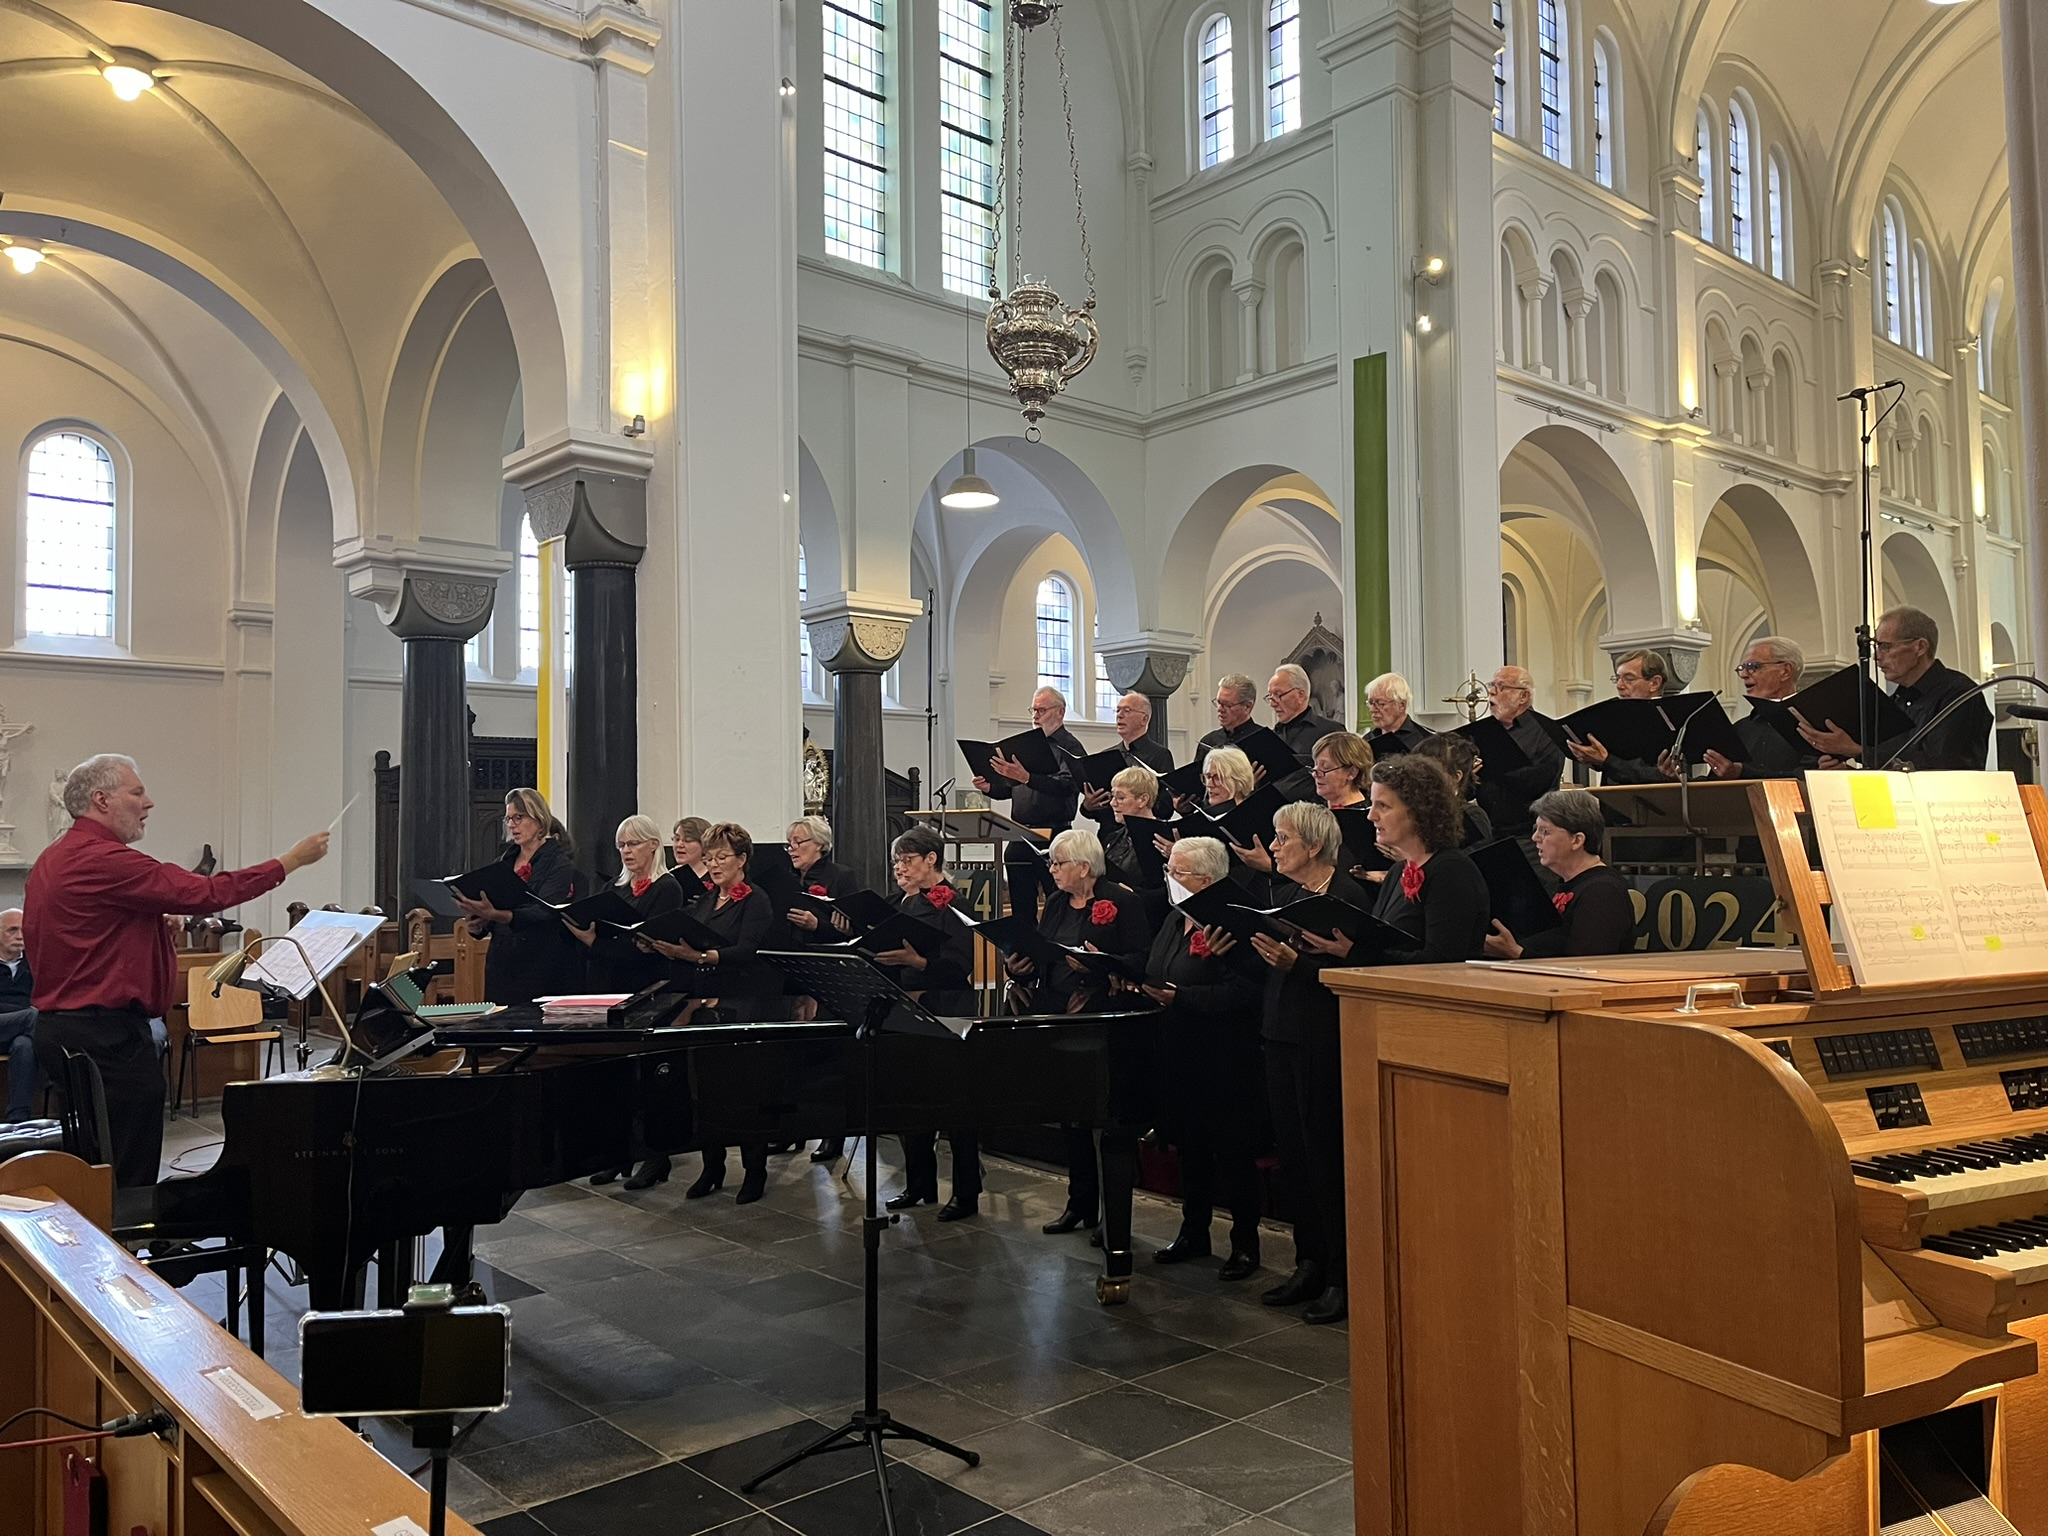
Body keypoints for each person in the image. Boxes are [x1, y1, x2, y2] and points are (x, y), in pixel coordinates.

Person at [26, 754, 328, 1187]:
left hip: (73, 1029)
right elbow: (206, 892)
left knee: (100, 1162)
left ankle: (107, 1238)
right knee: (125, 1170)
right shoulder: (103, 858)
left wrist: (151, 922)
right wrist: (291, 860)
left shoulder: (58, 856)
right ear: (101, 799)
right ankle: (124, 1247)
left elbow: (86, 935)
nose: (148, 803)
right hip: (103, 1038)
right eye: (136, 792)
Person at [1224, 800, 1368, 1326]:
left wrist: (1299, 965)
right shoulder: (1282, 896)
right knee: (1295, 1158)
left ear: (1312, 845)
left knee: (1324, 1156)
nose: (1275, 846)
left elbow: (1353, 975)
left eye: (1282, 838)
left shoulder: (1347, 897)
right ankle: (1307, 1261)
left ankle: (1341, 1275)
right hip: (1279, 1033)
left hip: (1322, 1037)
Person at [1003, 827, 1152, 1236]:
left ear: (1084, 867)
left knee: (1103, 1122)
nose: (1050, 870)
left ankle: (1111, 1213)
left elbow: (1140, 961)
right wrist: (1015, 970)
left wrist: (1098, 968)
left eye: (1057, 862)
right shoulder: (1054, 902)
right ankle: (1079, 1203)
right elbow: (1041, 950)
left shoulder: (1122, 901)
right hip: (1057, 1015)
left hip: (1101, 1020)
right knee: (1070, 1118)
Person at [1135, 836, 1265, 1281]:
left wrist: (1182, 997)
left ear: (1207, 882)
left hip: (1224, 1056)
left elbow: (1246, 992)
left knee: (1232, 1153)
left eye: (1178, 872)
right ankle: (1194, 1231)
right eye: (1170, 869)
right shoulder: (1176, 921)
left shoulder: (1229, 926)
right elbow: (1157, 968)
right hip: (1179, 1050)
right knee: (1190, 1148)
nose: (1169, 878)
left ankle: (1246, 1243)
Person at [639, 822, 780, 1201]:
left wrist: (700, 955)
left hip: (741, 1003)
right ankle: (712, 1168)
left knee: (744, 1094)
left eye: (722, 857)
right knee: (707, 1093)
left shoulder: (756, 900)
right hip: (703, 1004)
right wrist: (661, 945)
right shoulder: (703, 900)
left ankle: (755, 1172)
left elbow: (748, 949)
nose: (714, 864)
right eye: (711, 857)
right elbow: (689, 938)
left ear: (742, 860)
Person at [877, 826, 981, 1220]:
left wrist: (917, 963)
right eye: (895, 862)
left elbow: (960, 965)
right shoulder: (896, 903)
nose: (898, 868)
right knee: (911, 1099)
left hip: (947, 1009)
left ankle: (967, 1192)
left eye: (906, 860)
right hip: (905, 1008)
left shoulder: (954, 904)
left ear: (931, 859)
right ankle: (919, 1184)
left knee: (955, 1105)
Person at [1798, 606, 1993, 771]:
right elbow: (1892, 768)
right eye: (1877, 646)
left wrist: (1856, 750)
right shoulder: (1898, 698)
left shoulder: (1959, 693)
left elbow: (1943, 765)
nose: (1876, 656)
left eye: (1885, 647)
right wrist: (1847, 771)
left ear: (1920, 647)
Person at [453, 788, 581, 1006]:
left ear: (539, 821)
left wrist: (499, 914)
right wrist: (478, 924)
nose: (511, 825)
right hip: (501, 963)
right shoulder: (503, 862)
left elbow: (546, 911)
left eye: (518, 818)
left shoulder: (559, 863)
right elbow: (492, 909)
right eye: (508, 819)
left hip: (541, 962)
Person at [1365, 755, 1493, 966]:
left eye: (1383, 806)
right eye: (1372, 804)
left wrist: (1356, 954)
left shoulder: (1452, 872)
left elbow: (1441, 961)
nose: (1371, 815)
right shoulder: (1399, 870)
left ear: (1418, 811)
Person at [782, 814, 860, 1160]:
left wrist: (819, 925)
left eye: (799, 842)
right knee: (787, 1054)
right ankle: (791, 1128)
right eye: (789, 843)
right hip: (787, 970)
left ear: (820, 845)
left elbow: (853, 930)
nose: (792, 848)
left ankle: (832, 1133)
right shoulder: (784, 878)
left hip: (825, 972)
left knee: (826, 1057)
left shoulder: (840, 876)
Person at [972, 686, 1084, 922]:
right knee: (1021, 905)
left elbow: (1067, 786)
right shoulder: (1026, 744)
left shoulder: (1070, 747)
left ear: (1060, 712)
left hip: (1054, 833)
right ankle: (1023, 950)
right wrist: (990, 787)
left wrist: (1027, 777)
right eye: (1033, 710)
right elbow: (1013, 790)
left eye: (1041, 710)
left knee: (1057, 900)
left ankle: (1054, 950)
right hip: (1021, 833)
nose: (1035, 716)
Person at [1484, 789, 1637, 960]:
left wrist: (1516, 953)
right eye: (1536, 829)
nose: (1535, 837)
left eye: (1545, 831)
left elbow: (1586, 966)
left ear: (1577, 840)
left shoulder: (1602, 892)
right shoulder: (1566, 883)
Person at [1702, 636, 1816, 780]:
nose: (1743, 675)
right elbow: (1714, 782)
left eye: (1754, 667)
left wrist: (1742, 773)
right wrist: (1675, 777)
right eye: (1742, 668)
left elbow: (1809, 778)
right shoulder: (1739, 729)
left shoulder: (1813, 723)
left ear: (1785, 671)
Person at [1475, 665, 1566, 842]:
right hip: (1487, 830)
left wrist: (1494, 769)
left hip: (1529, 832)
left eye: (1501, 687)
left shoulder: (1546, 731)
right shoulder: (1484, 731)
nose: (1492, 692)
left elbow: (1542, 779)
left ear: (1523, 696)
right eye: (1491, 686)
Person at [1568, 649, 1670, 784]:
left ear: (1654, 683)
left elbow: (1661, 776)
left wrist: (1607, 760)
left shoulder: (1671, 721)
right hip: (1611, 800)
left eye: (1629, 679)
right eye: (1617, 678)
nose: (1619, 685)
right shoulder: (1614, 716)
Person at [1081, 694, 1175, 825]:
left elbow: (1165, 808)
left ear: (1144, 719)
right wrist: (1088, 805)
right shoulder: (1106, 756)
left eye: (1127, 711)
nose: (1119, 715)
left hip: (1140, 830)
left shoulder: (1160, 755)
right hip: (1109, 834)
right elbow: (1090, 811)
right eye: (1118, 710)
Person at [1266, 664, 1343, 800]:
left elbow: (1341, 781)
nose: (1273, 703)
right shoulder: (1271, 736)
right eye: (1270, 696)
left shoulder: (1331, 732)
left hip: (1313, 814)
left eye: (1278, 695)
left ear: (1300, 695)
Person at [1412, 733, 1493, 847]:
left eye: (1431, 771)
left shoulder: (1472, 816)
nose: (1420, 777)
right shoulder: (1412, 810)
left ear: (1455, 777)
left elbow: (1468, 861)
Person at [1099, 764, 1165, 897]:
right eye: (1112, 796)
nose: (1112, 803)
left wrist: (1134, 895)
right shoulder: (1112, 837)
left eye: (1120, 798)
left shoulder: (1163, 839)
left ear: (1143, 800)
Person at [0, 909, 38, 1124]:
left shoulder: (34, 965)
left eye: (24, 930)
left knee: (25, 1046)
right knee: (34, 1018)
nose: (20, 936)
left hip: (22, 1030)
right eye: (12, 930)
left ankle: (18, 1120)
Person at [1194, 674, 1262, 767]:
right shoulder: (1208, 742)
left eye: (1227, 705)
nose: (1220, 709)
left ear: (1247, 706)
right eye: (1218, 702)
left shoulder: (1264, 741)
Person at [1362, 673, 1433, 757]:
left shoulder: (1425, 740)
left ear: (1401, 705)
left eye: (1380, 703)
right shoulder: (1367, 741)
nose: (1372, 709)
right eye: (1371, 703)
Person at [671, 817, 715, 897]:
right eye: (676, 839)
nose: (679, 845)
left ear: (704, 844)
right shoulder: (669, 876)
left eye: (688, 840)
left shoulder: (715, 877)